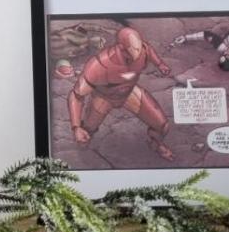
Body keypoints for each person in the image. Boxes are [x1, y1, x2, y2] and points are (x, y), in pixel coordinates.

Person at [68, 27, 174, 160]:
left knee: (161, 125)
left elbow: (148, 50)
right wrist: (76, 127)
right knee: (86, 133)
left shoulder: (143, 50)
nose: (139, 52)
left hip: (129, 93)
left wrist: (160, 64)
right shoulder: (99, 65)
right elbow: (76, 95)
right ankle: (82, 154)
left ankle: (155, 144)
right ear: (121, 48)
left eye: (140, 47)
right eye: (134, 49)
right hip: (104, 98)